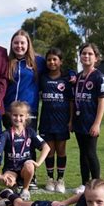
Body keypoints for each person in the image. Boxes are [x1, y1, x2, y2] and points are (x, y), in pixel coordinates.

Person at [3, 29, 46, 190]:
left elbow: (56, 68)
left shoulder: (38, 62)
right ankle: (12, 174)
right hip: (9, 110)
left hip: (30, 110)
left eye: (22, 43)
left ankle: (31, 176)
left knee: (29, 142)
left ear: (28, 44)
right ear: (12, 45)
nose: (19, 46)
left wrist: (70, 74)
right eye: (16, 43)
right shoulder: (7, 62)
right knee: (11, 143)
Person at [0, 101, 50, 201]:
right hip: (11, 169)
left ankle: (25, 189)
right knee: (8, 181)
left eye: (21, 115)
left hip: (25, 169)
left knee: (30, 166)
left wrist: (37, 164)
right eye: (15, 115)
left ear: (26, 116)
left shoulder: (30, 132)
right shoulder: (6, 134)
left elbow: (46, 147)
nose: (18, 118)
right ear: (10, 115)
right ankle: (13, 187)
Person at [72, 43, 104, 194]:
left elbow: (102, 101)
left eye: (90, 54)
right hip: (79, 121)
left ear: (96, 58)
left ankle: (97, 183)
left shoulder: (99, 77)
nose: (86, 56)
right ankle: (85, 183)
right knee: (82, 153)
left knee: (91, 153)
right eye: (83, 53)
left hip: (91, 122)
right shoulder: (78, 77)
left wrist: (97, 123)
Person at [39, 48, 74, 193]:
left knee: (61, 151)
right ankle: (49, 179)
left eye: (55, 59)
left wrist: (71, 120)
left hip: (61, 121)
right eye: (49, 59)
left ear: (60, 62)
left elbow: (71, 101)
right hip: (46, 121)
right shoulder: (43, 78)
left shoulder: (67, 79)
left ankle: (60, 179)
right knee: (49, 152)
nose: (52, 62)